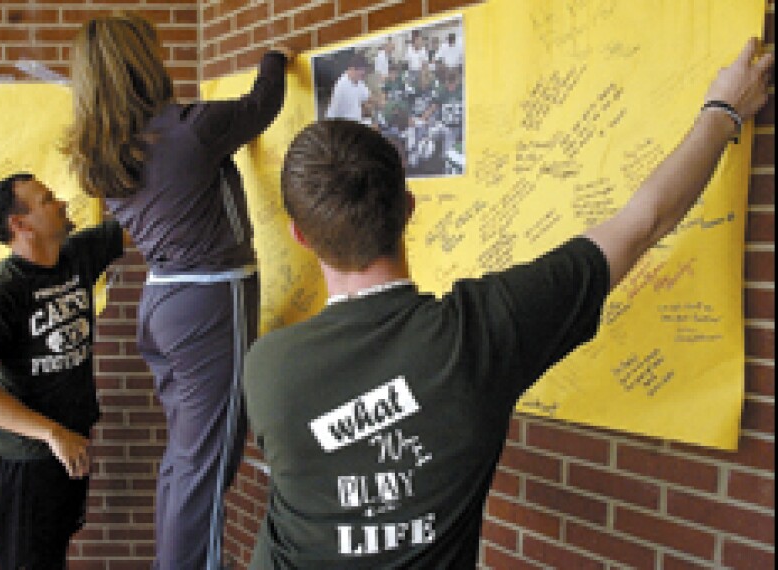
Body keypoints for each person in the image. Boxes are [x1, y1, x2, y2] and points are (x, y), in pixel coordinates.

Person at [242, 38, 772, 568]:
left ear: (300, 236)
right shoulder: (480, 334)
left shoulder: (265, 370)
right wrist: (723, 111)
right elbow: (641, 224)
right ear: (407, 208)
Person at [61, 11, 295, 570]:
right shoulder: (192, 128)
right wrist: (276, 57)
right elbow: (264, 105)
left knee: (187, 461)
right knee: (208, 464)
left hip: (164, 304)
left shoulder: (102, 154)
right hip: (210, 303)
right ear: (143, 62)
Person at [0, 172, 125, 569]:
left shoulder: (78, 255)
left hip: (71, 447)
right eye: (47, 200)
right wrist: (51, 433)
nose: (61, 202)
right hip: (26, 460)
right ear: (20, 224)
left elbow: (143, 222)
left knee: (54, 555)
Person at [326, 53, 371, 121]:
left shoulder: (359, 81)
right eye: (360, 73)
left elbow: (367, 96)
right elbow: (332, 111)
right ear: (352, 69)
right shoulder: (341, 85)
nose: (362, 76)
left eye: (363, 73)